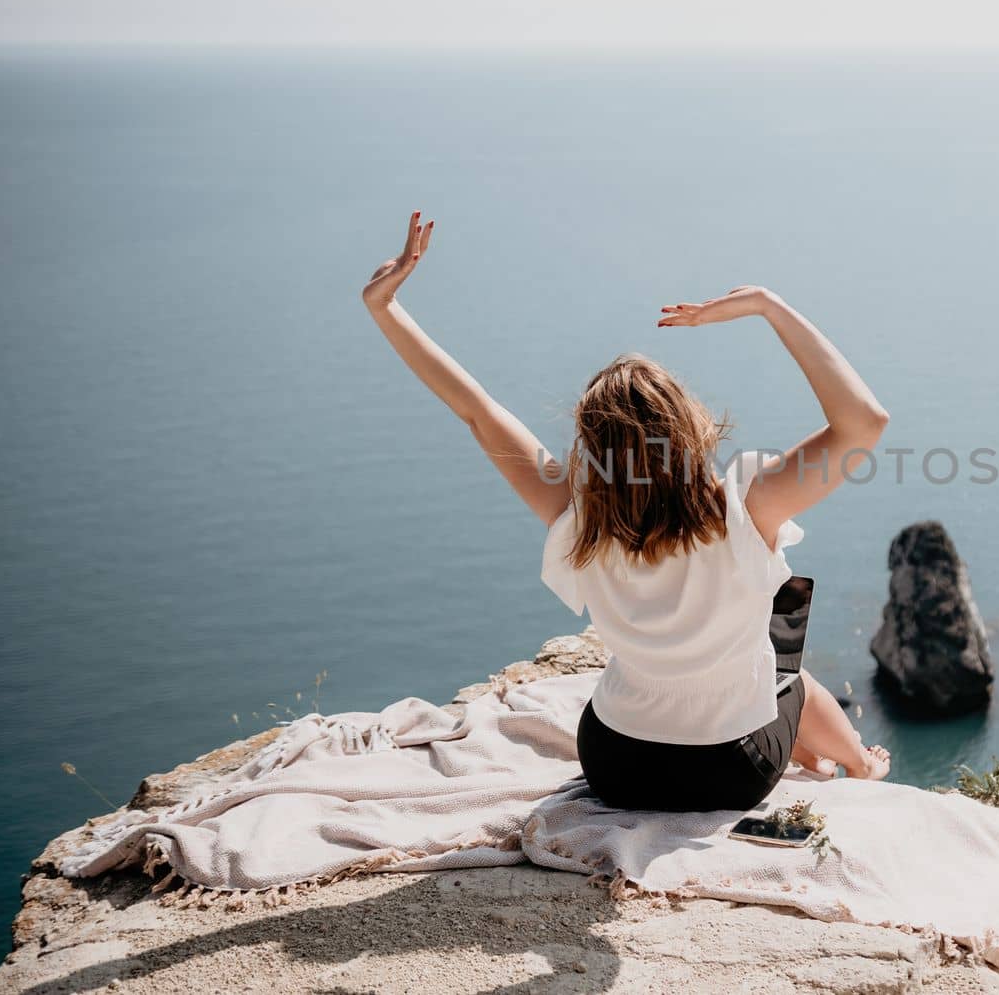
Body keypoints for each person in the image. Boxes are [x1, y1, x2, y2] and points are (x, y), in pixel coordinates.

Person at [363, 211, 891, 812]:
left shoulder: (577, 518)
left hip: (618, 766)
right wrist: (770, 307)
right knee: (783, 647)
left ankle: (832, 751)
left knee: (770, 644)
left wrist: (386, 309)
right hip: (729, 772)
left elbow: (476, 409)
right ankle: (856, 763)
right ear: (690, 426)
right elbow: (865, 422)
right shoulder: (746, 510)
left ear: (593, 445)